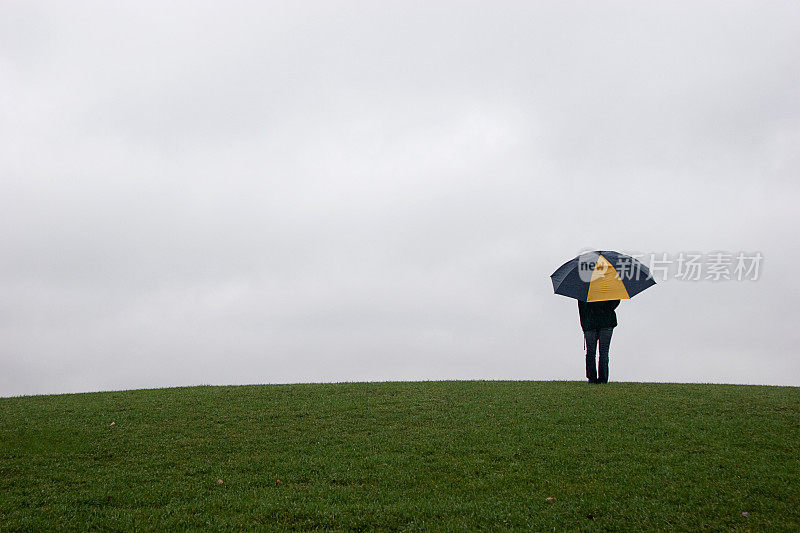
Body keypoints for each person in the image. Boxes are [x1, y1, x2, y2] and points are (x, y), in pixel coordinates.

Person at [577, 299, 620, 384]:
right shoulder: (609, 289)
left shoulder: (584, 290)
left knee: (590, 353)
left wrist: (584, 325)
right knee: (603, 352)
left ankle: (592, 379)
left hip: (590, 324)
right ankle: (603, 379)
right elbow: (615, 303)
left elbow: (582, 309)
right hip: (606, 322)